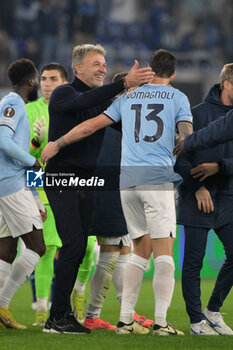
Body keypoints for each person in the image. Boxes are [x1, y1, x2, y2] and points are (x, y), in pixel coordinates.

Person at [42, 49, 193, 336]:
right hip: (63, 179)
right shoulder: (65, 93)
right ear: (78, 68)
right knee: (74, 246)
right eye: (96, 64)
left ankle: (67, 315)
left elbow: (112, 125)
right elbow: (86, 108)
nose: (102, 68)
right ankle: (56, 316)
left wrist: (135, 97)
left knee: (84, 250)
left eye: (104, 64)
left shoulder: (106, 101)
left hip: (91, 183)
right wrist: (57, 145)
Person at [81, 72, 153, 330]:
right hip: (107, 191)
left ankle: (125, 313)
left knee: (122, 250)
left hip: (116, 190)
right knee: (111, 251)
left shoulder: (123, 122)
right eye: (136, 91)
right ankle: (91, 315)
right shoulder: (110, 121)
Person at [174, 63, 233, 335]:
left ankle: (213, 310)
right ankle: (196, 321)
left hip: (227, 195)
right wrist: (198, 186)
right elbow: (178, 156)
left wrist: (220, 166)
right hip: (196, 196)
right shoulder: (195, 114)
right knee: (194, 262)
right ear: (227, 84)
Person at [0, 58, 46, 329]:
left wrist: (36, 196)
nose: (42, 83)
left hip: (17, 185)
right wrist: (32, 161)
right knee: (39, 247)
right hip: (12, 184)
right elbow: (3, 141)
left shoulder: (21, 105)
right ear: (32, 81)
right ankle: (4, 305)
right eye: (41, 78)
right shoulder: (14, 103)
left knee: (6, 250)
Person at [26, 63, 67, 326]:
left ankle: (79, 302)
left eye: (53, 79)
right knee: (46, 248)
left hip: (73, 184)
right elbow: (25, 159)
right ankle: (42, 308)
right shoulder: (29, 111)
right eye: (43, 78)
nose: (46, 83)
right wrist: (32, 192)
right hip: (41, 187)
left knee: (84, 248)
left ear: (64, 82)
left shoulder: (74, 108)